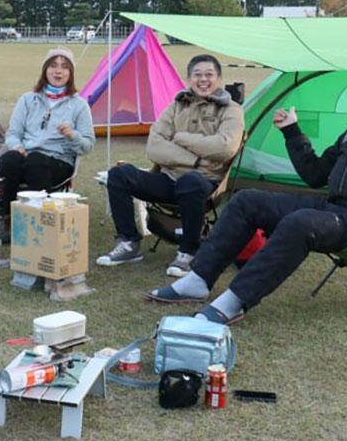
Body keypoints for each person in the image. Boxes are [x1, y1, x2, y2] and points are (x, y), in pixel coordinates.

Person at [146, 66, 347, 325]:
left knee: (300, 222)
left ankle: (234, 302)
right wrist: (292, 132)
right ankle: (198, 279)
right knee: (247, 200)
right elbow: (316, 174)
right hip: (333, 209)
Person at [96, 54, 245, 277]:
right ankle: (128, 242)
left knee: (191, 182)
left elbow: (225, 147)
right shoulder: (178, 105)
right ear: (189, 79)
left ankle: (188, 253)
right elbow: (154, 146)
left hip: (205, 182)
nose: (203, 80)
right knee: (119, 174)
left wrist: (181, 138)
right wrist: (195, 159)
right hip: (169, 179)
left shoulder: (231, 109)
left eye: (209, 75)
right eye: (197, 75)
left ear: (219, 79)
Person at [0, 48, 95, 215]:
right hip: (26, 156)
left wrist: (72, 135)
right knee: (9, 159)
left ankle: (41, 219)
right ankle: (5, 217)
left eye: (64, 66)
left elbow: (88, 145)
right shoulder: (27, 100)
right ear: (45, 70)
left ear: (70, 73)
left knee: (36, 161)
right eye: (53, 65)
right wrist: (16, 146)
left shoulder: (79, 105)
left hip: (59, 162)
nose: (58, 71)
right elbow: (13, 133)